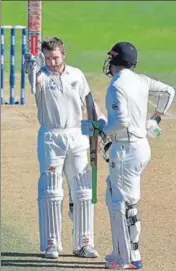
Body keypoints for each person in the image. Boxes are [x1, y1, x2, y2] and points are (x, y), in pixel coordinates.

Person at [81, 41, 175, 269]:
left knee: (119, 204)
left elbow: (120, 121)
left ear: (113, 60)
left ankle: (126, 259)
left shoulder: (116, 86)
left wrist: (100, 129)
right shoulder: (140, 80)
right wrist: (156, 119)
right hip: (140, 147)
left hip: (126, 149)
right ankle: (125, 254)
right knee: (121, 199)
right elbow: (168, 92)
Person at [24, 37, 105, 259]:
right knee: (51, 192)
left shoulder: (76, 75)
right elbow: (33, 79)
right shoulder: (40, 74)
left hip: (77, 135)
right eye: (47, 58)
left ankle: (84, 243)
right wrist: (30, 65)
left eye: (55, 57)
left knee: (83, 191)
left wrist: (101, 124)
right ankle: (51, 243)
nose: (52, 62)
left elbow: (89, 102)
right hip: (50, 136)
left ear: (64, 54)